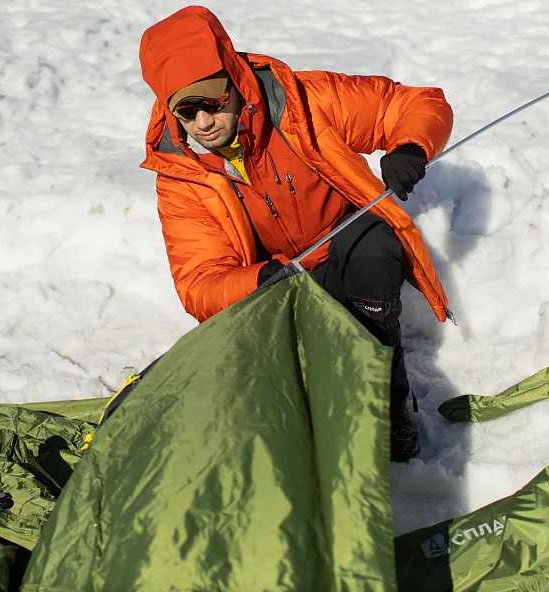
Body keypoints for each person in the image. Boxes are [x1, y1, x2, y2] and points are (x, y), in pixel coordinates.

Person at [139, 6, 453, 462]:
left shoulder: (302, 101)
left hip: (347, 252)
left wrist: (410, 145)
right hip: (279, 284)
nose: (203, 122)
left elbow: (412, 104)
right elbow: (200, 282)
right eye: (186, 111)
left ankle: (389, 397)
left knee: (374, 246)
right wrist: (260, 281)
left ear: (235, 83)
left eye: (212, 102)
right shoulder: (180, 173)